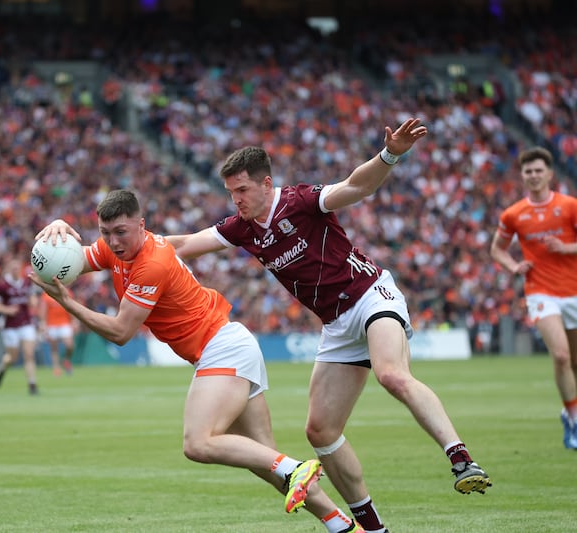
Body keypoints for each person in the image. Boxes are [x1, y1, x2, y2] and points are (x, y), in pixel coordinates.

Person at [164, 118, 491, 533]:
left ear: (267, 183)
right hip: (336, 324)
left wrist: (390, 154)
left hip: (371, 294)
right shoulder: (242, 228)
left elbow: (356, 187)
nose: (236, 201)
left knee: (391, 374)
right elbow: (183, 245)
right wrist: (110, 251)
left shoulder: (299, 201)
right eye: (231, 193)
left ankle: (460, 457)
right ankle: (372, 528)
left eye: (242, 190)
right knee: (320, 430)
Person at [34, 189, 365, 533]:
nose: (113, 242)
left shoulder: (152, 262)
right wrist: (58, 227)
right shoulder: (115, 249)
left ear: (141, 226)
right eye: (105, 233)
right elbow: (74, 260)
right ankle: (342, 525)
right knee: (265, 459)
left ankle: (296, 468)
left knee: (198, 443)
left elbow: (120, 331)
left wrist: (67, 303)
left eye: (121, 232)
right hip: (226, 344)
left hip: (221, 348)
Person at [490, 146, 577, 449]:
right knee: (562, 355)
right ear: (523, 176)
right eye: (528, 171)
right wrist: (514, 265)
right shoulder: (514, 214)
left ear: (550, 174)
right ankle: (574, 419)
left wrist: (567, 248)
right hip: (541, 291)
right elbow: (496, 249)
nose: (534, 175)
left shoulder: (569, 206)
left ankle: (568, 414)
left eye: (539, 170)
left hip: (574, 290)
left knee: (575, 361)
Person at [0, 257, 41, 395]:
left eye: (17, 267)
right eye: (13, 268)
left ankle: (32, 384)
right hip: (10, 326)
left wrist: (34, 302)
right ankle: (2, 369)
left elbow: (32, 297)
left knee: (29, 354)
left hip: (26, 323)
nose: (16, 270)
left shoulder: (26, 283)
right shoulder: (3, 286)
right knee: (12, 357)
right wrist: (7, 310)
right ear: (9, 269)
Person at [37, 292, 76, 375]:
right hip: (51, 324)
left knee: (70, 345)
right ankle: (56, 367)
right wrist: (42, 323)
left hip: (65, 322)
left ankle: (66, 359)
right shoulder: (46, 295)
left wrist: (74, 320)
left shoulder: (66, 291)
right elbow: (43, 309)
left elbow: (71, 307)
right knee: (54, 347)